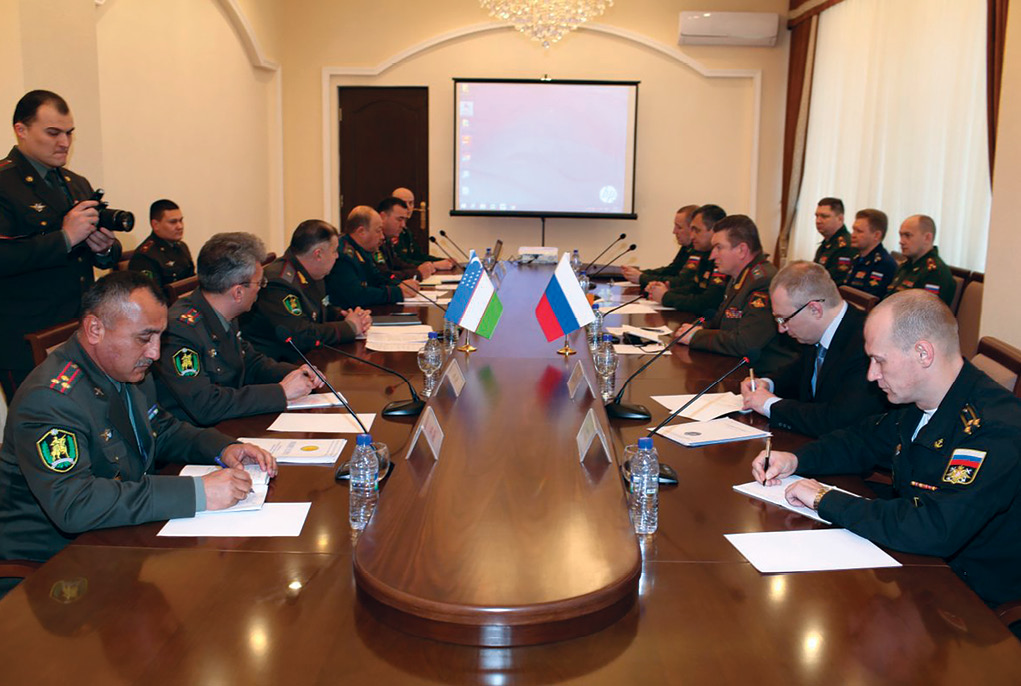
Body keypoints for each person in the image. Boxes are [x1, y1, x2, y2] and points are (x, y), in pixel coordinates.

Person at [753, 290, 1021, 618]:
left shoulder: (993, 428)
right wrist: (796, 459)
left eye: (879, 360)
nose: (871, 375)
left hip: (969, 602)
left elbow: (934, 528)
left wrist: (826, 499)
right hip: (917, 568)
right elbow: (861, 440)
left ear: (923, 353)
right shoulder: (920, 399)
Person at [0, 271, 276, 580]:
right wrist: (198, 492)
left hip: (120, 535)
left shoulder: (127, 368)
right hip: (56, 566)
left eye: (160, 337)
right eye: (144, 338)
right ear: (95, 329)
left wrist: (223, 447)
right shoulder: (51, 399)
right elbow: (75, 504)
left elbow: (162, 429)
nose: (155, 353)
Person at [0, 90, 121, 399]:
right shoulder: (4, 183)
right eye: (53, 133)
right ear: (21, 130)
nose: (64, 142)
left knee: (89, 420)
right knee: (40, 429)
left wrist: (104, 248)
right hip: (27, 338)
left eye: (69, 133)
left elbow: (102, 259)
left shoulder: (75, 182)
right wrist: (64, 238)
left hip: (77, 328)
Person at [156, 232, 323, 426]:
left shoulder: (224, 311)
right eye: (260, 283)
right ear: (238, 292)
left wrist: (298, 373)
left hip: (231, 423)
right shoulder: (179, 330)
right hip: (197, 441)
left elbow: (250, 362)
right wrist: (281, 391)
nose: (262, 288)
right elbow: (205, 405)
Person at [739, 261, 887, 437]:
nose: (781, 329)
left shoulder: (866, 345)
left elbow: (837, 420)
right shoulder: (817, 331)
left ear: (815, 310)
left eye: (783, 319)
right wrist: (767, 383)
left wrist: (770, 405)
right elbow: (799, 371)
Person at [675, 215, 800, 375]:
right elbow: (720, 323)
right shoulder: (741, 277)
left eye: (719, 247)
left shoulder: (763, 281)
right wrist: (695, 329)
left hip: (767, 378)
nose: (712, 255)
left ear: (742, 250)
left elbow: (747, 343)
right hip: (737, 369)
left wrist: (696, 336)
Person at [241, 219, 371, 363]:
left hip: (309, 361)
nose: (337, 256)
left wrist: (346, 316)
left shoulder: (312, 274)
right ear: (318, 254)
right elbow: (301, 335)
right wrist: (350, 327)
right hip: (279, 367)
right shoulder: (279, 283)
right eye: (334, 251)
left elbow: (318, 310)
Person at [325, 206, 417, 309]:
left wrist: (401, 285)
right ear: (361, 232)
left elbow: (377, 278)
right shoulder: (343, 256)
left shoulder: (362, 251)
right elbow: (356, 295)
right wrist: (396, 293)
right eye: (378, 231)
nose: (382, 236)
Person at [645, 204, 729, 315]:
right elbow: (694, 288)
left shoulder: (722, 259)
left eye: (696, 231)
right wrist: (663, 291)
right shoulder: (704, 253)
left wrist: (666, 296)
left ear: (714, 231)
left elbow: (708, 302)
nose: (692, 236)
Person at [621, 205, 698, 287]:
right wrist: (639, 273)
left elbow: (680, 281)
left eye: (679, 227)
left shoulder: (699, 251)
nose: (674, 231)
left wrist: (642, 277)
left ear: (692, 229)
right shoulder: (687, 247)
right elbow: (671, 270)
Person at [886, 214, 955, 306]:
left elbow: (925, 314)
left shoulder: (935, 273)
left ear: (927, 238)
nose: (901, 241)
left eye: (907, 235)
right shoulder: (905, 266)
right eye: (901, 235)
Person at [127, 199, 195, 287]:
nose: (180, 226)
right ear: (155, 225)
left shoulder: (182, 246)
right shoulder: (144, 257)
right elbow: (151, 296)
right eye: (173, 222)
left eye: (181, 220)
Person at [391, 187, 453, 270]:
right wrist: (433, 264)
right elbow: (401, 262)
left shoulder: (406, 230)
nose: (408, 207)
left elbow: (418, 256)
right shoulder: (391, 230)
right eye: (404, 203)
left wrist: (443, 260)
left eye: (411, 203)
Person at [377, 197, 435, 281]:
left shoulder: (387, 238)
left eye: (405, 220)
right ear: (382, 217)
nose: (403, 225)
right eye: (399, 219)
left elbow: (397, 264)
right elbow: (385, 275)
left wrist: (419, 268)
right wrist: (417, 273)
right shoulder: (374, 240)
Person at [841, 208, 898, 297]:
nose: (853, 235)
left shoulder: (884, 263)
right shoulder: (857, 258)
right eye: (853, 230)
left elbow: (871, 299)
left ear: (876, 235)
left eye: (859, 231)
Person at [812, 197, 857, 284]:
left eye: (824, 216)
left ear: (840, 219)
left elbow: (834, 283)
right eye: (817, 216)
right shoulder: (826, 244)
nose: (818, 221)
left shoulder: (845, 247)